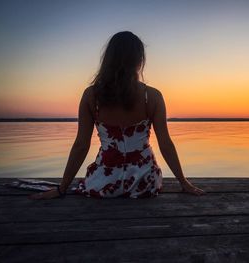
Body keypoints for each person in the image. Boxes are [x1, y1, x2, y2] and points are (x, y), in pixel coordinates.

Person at [29, 31, 206, 200]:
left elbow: (81, 145)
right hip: (144, 183)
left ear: (108, 59)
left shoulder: (92, 96)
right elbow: (165, 144)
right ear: (139, 60)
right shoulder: (152, 96)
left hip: (104, 183)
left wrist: (62, 188)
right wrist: (184, 183)